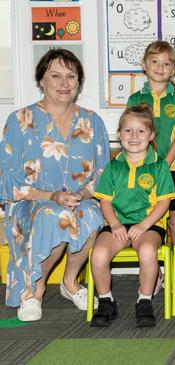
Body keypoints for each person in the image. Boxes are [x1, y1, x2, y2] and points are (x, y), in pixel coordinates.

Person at [0, 49, 109, 321]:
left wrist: (82, 193)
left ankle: (69, 283)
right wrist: (51, 196)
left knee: (92, 214)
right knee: (54, 215)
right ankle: (34, 292)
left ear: (79, 82)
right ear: (41, 81)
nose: (64, 83)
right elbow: (8, 178)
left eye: (71, 76)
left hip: (78, 198)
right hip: (30, 203)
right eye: (56, 76)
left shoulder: (92, 121)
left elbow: (104, 172)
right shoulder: (19, 120)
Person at [90, 105, 175, 327]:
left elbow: (164, 201)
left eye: (141, 131)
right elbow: (105, 201)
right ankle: (106, 301)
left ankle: (144, 301)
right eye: (128, 131)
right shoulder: (113, 167)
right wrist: (115, 224)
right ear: (119, 134)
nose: (134, 136)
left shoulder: (159, 166)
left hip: (149, 225)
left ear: (151, 135)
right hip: (117, 224)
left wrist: (144, 224)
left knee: (148, 251)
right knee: (98, 254)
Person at [127, 40, 175, 247]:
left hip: (173, 168)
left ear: (173, 70)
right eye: (155, 61)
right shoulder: (135, 99)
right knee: (147, 220)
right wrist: (152, 165)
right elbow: (131, 134)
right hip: (144, 168)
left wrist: (164, 164)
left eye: (166, 63)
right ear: (144, 65)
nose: (160, 67)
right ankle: (157, 272)